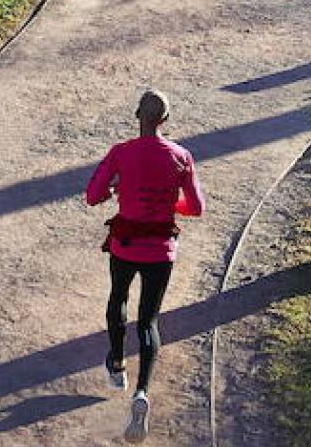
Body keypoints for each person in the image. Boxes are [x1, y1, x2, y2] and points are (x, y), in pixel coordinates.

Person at [84, 89, 204, 443]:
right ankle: (141, 392)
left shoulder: (122, 153)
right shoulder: (181, 157)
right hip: (161, 250)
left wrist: (117, 188)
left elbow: (93, 195)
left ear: (137, 115)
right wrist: (171, 205)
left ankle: (118, 365)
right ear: (165, 121)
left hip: (125, 244)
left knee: (117, 300)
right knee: (149, 320)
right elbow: (195, 208)